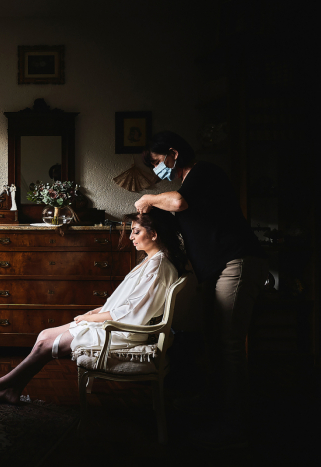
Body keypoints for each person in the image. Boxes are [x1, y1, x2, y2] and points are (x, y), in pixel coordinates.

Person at [134, 130, 267, 447]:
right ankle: (213, 403)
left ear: (172, 154)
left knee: (229, 342)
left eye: (157, 162)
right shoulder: (187, 185)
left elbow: (178, 202)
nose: (157, 171)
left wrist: (149, 199)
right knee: (213, 339)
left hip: (237, 262)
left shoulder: (204, 172)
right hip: (215, 270)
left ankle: (236, 425)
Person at [0, 208, 186, 404]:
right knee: (43, 336)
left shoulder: (158, 267)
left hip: (122, 332)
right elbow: (126, 302)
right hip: (113, 323)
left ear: (154, 234)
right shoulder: (151, 261)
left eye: (136, 231)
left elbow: (130, 313)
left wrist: (88, 318)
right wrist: (94, 312)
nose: (131, 237)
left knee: (44, 344)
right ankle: (13, 390)